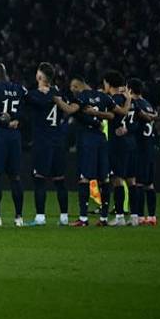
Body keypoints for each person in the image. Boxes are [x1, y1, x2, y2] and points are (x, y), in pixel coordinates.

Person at [25, 63, 77, 226]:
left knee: (40, 179)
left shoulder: (34, 95)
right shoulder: (59, 94)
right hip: (58, 141)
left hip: (43, 142)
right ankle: (64, 217)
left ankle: (40, 217)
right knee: (60, 180)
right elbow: (69, 108)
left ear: (40, 77)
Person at [0, 62, 28, 228]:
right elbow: (27, 109)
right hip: (15, 137)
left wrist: (1, 121)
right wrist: (17, 119)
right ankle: (19, 218)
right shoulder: (19, 88)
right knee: (15, 177)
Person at [68, 76, 113, 226]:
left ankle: (83, 218)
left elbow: (72, 111)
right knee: (104, 178)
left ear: (80, 85)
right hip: (102, 139)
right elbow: (113, 114)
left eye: (73, 86)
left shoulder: (81, 97)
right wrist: (98, 118)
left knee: (84, 178)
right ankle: (104, 218)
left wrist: (58, 101)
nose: (72, 89)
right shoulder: (102, 96)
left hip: (87, 140)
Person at [102, 70, 134, 227]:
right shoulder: (127, 98)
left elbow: (112, 116)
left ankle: (120, 216)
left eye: (105, 83)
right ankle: (135, 215)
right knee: (129, 179)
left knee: (117, 179)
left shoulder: (113, 99)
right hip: (127, 142)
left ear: (108, 83)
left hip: (116, 143)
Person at [127, 79, 159, 226]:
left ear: (130, 89)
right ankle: (152, 216)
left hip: (140, 147)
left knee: (139, 184)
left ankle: (139, 216)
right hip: (150, 148)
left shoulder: (136, 105)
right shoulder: (148, 104)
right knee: (149, 184)